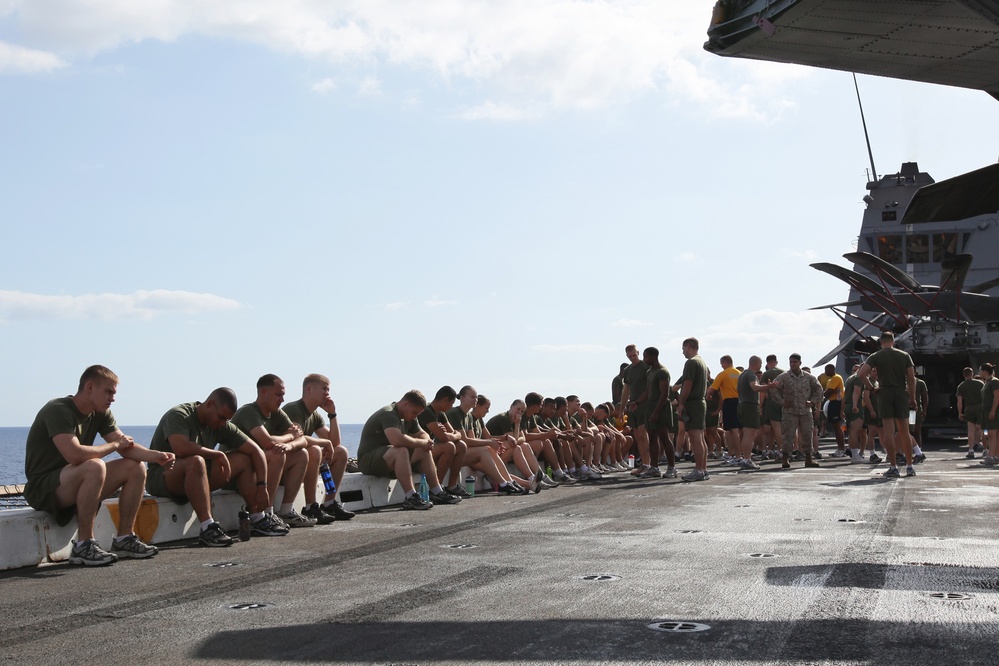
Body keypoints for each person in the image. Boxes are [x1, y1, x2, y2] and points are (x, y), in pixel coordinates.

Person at [24, 365, 172, 566]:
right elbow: (75, 455)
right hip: (44, 489)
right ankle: (84, 545)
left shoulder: (100, 413)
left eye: (114, 393)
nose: (113, 398)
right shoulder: (58, 410)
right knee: (95, 466)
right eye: (108, 392)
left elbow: (125, 446)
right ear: (90, 387)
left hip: (73, 481)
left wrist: (157, 456)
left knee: (135, 467)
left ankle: (124, 539)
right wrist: (113, 445)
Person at [147, 387, 265, 547]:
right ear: (209, 404)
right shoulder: (179, 414)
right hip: (163, 476)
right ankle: (207, 527)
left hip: (195, 474)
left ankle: (258, 517)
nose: (223, 423)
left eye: (227, 420)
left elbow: (256, 451)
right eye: (221, 417)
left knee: (244, 459)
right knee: (196, 461)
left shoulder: (219, 424)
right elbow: (180, 447)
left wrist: (262, 486)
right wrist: (217, 454)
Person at [232, 374, 314, 528]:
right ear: (263, 392)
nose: (282, 400)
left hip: (261, 467)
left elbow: (303, 440)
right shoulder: (249, 412)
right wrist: (290, 436)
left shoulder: (276, 413)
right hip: (241, 473)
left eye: (283, 395)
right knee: (278, 454)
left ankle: (286, 511)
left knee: (302, 454)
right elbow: (268, 442)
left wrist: (290, 445)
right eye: (278, 395)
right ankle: (266, 512)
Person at [356, 390, 460, 509]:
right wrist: (422, 443)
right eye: (414, 412)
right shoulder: (388, 414)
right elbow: (397, 440)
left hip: (388, 457)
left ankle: (436, 491)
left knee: (423, 450)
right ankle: (411, 497)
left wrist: (427, 442)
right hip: (368, 460)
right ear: (405, 404)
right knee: (401, 450)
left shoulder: (409, 416)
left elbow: (423, 434)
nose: (415, 416)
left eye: (417, 414)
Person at [282, 373, 355, 523]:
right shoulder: (294, 409)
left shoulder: (315, 415)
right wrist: (323, 443)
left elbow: (334, 442)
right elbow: (298, 439)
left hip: (301, 465)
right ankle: (310, 507)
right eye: (324, 389)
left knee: (341, 452)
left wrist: (332, 414)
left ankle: (329, 503)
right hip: (284, 468)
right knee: (314, 450)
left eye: (328, 390)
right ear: (309, 389)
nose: (327, 393)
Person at [857, 331, 917, 478]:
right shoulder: (904, 355)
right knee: (904, 431)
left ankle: (893, 466)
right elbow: (911, 378)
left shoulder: (876, 356)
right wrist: (913, 398)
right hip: (901, 393)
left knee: (888, 432)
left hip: (884, 393)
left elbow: (861, 374)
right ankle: (909, 466)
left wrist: (872, 389)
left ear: (881, 342)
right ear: (893, 341)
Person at [771, 353, 823, 469]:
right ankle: (785, 459)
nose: (792, 364)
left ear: (800, 363)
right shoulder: (784, 376)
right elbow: (773, 389)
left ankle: (808, 459)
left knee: (807, 435)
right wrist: (782, 401)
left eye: (795, 362)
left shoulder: (808, 377)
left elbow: (819, 389)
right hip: (789, 411)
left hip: (805, 411)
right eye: (791, 362)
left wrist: (813, 402)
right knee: (788, 436)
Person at [416, 386, 466, 496]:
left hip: (430, 449)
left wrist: (449, 434)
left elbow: (456, 434)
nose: (451, 406)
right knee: (449, 447)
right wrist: (450, 435)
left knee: (461, 445)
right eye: (451, 403)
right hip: (419, 451)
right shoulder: (427, 412)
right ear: (445, 400)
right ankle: (436, 489)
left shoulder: (440, 413)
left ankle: (451, 485)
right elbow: (445, 438)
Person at [677, 338, 710, 481]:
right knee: (700, 437)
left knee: (695, 437)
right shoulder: (701, 361)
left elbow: (688, 384)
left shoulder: (691, 362)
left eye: (683, 348)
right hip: (700, 402)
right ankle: (703, 469)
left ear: (688, 346)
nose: (683, 351)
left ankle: (698, 469)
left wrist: (681, 402)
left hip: (693, 403)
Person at [643, 346, 676, 479]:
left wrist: (656, 412)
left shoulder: (662, 371)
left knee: (664, 437)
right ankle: (654, 468)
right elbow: (648, 391)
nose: (644, 359)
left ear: (653, 356)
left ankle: (672, 468)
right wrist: (636, 402)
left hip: (661, 407)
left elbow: (664, 393)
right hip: (650, 405)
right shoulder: (649, 372)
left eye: (646, 356)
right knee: (652, 437)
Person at [736, 356, 771, 470]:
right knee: (750, 433)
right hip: (750, 405)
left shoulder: (742, 375)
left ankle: (745, 458)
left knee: (747, 434)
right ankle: (747, 459)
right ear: (756, 364)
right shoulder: (751, 375)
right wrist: (769, 386)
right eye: (760, 364)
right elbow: (755, 387)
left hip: (742, 404)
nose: (761, 366)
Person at [706, 355, 741, 463]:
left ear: (725, 362)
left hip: (729, 402)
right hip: (739, 402)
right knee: (730, 430)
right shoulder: (739, 374)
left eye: (722, 364)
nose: (721, 366)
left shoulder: (723, 374)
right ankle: (731, 454)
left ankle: (738, 455)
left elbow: (712, 388)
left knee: (732, 430)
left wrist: (707, 396)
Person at [956, 367, 984, 459]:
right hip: (980, 406)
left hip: (969, 407)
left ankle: (971, 450)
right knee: (981, 428)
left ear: (964, 375)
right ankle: (983, 447)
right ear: (972, 374)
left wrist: (960, 413)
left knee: (970, 430)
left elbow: (959, 402)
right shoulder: (980, 383)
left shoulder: (961, 386)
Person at [822, 364, 847, 457]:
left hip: (836, 402)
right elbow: (827, 392)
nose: (825, 372)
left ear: (832, 369)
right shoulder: (829, 380)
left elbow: (827, 393)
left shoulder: (836, 378)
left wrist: (826, 392)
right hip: (832, 403)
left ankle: (842, 449)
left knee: (838, 427)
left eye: (827, 370)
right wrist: (826, 392)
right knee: (835, 428)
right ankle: (839, 448)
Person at [979, 363, 999, 466]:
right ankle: (995, 456)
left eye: (980, 370)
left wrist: (993, 411)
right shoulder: (987, 382)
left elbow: (997, 396)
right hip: (986, 411)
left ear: (985, 371)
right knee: (993, 434)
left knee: (992, 434)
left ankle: (991, 456)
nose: (979, 372)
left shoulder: (994, 381)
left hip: (992, 411)